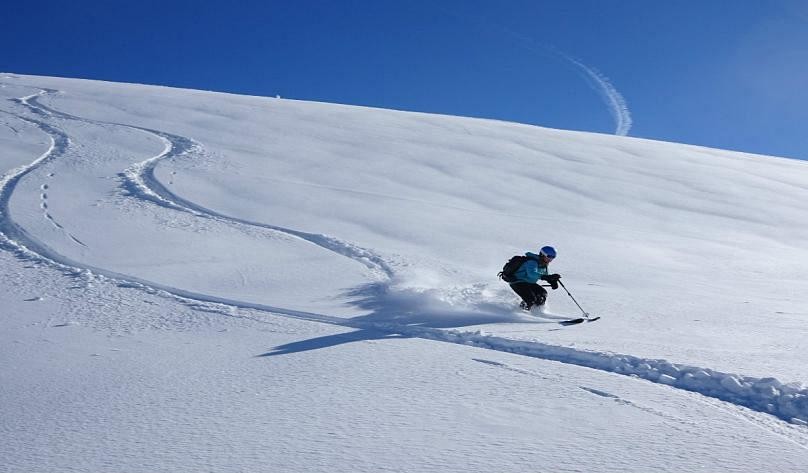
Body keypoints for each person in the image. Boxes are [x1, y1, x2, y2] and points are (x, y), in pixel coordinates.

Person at [508, 245, 561, 311]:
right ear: (542, 254)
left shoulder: (544, 264)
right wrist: (546, 277)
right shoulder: (532, 262)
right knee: (530, 299)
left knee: (542, 294)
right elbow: (532, 274)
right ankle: (521, 312)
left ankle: (536, 313)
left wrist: (552, 281)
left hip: (529, 283)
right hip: (517, 282)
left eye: (553, 257)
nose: (550, 260)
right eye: (549, 257)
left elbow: (545, 275)